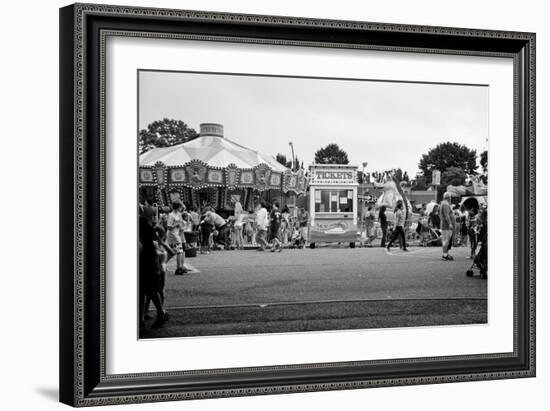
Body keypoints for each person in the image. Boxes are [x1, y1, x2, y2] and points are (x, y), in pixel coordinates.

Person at [139, 205, 169, 328]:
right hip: (150, 258)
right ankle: (145, 316)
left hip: (145, 259)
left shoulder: (142, 224)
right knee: (149, 290)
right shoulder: (148, 225)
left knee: (147, 290)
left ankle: (159, 313)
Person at [167, 202, 188, 275]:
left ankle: (180, 267)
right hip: (173, 235)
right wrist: (176, 224)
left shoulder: (179, 214)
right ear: (177, 207)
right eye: (180, 207)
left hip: (178, 234)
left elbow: (181, 223)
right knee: (179, 251)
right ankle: (179, 268)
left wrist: (182, 226)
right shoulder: (171, 215)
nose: (181, 208)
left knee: (174, 251)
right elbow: (169, 227)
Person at [440, 192, 455, 261]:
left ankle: (446, 253)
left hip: (446, 225)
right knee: (446, 240)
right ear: (448, 198)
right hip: (446, 225)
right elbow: (446, 215)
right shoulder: (445, 204)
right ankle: (444, 255)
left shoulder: (445, 203)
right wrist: (450, 223)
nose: (451, 199)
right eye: (450, 197)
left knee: (447, 240)